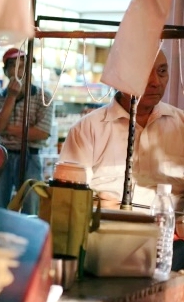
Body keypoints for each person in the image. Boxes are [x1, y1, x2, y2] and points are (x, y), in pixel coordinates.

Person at [60, 50, 184, 210]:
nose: (155, 82)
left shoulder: (180, 125)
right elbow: (67, 198)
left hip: (170, 230)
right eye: (144, 73)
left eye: (162, 71)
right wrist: (94, 206)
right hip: (106, 229)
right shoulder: (88, 129)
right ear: (119, 78)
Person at [0, 48, 54, 213]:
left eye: (24, 66)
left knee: (32, 206)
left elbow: (42, 132)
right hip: (3, 155)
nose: (20, 71)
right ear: (6, 71)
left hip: (31, 155)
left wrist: (6, 128)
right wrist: (12, 96)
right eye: (14, 66)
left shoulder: (43, 96)